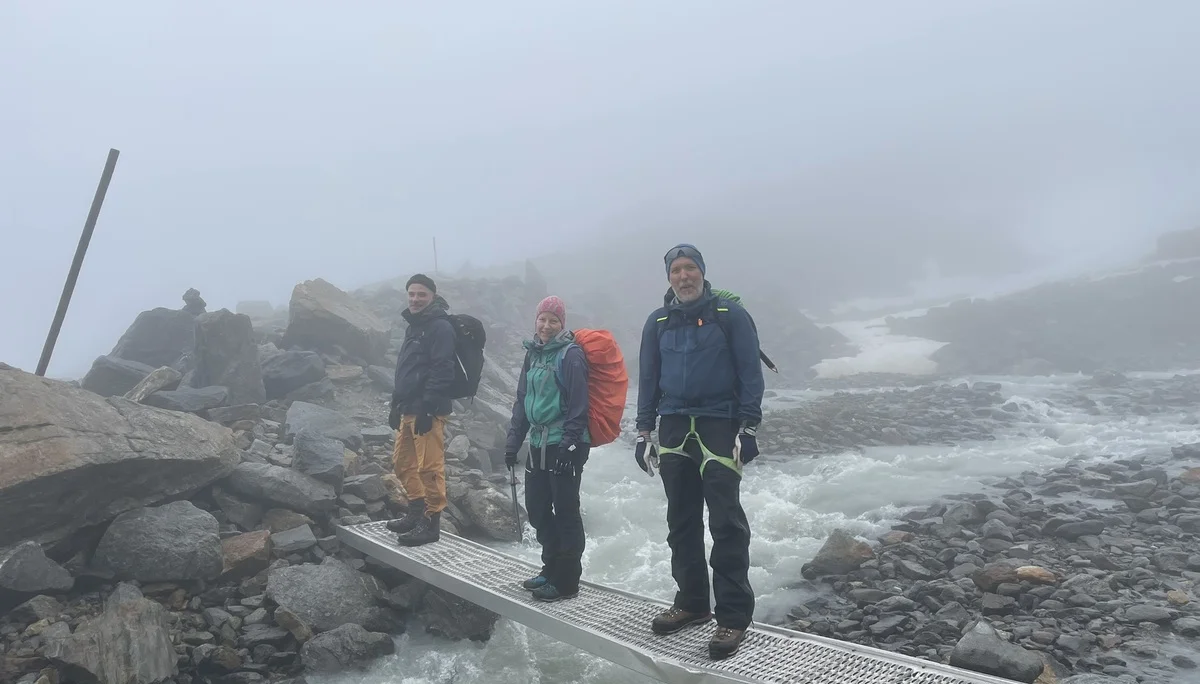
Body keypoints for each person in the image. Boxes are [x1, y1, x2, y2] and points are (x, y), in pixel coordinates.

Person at [634, 243, 765, 660]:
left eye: (691, 268)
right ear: (668, 277)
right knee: (681, 520)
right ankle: (691, 603)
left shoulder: (731, 317)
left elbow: (750, 371)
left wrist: (749, 427)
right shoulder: (658, 321)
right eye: (676, 270)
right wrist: (642, 432)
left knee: (726, 522)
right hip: (673, 424)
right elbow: (649, 377)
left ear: (703, 273)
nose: (684, 276)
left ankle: (733, 617)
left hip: (718, 423)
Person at [503, 296, 591, 602]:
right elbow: (522, 400)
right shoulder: (533, 355)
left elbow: (580, 406)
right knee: (539, 510)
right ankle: (550, 568)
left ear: (562, 324)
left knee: (566, 511)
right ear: (535, 320)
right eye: (542, 319)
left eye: (553, 320)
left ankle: (567, 581)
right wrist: (514, 441)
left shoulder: (571, 356)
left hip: (564, 444)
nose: (546, 325)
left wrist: (569, 446)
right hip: (539, 443)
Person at [386, 273, 456, 547]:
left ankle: (430, 523)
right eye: (412, 294)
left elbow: (443, 369)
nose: (415, 299)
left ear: (433, 296)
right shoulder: (414, 325)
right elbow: (407, 368)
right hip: (408, 408)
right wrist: (395, 403)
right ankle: (415, 511)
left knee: (429, 468)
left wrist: (428, 408)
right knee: (402, 464)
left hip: (428, 410)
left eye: (421, 295)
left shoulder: (440, 327)